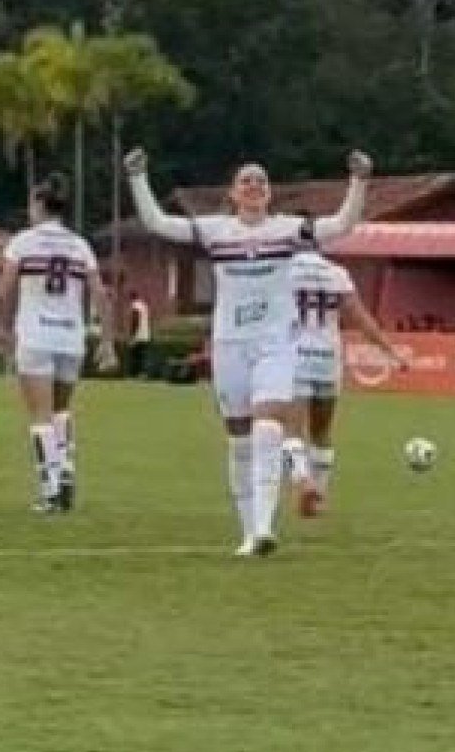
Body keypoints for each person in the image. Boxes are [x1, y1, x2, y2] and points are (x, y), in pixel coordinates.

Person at [126, 147, 371, 556]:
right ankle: (247, 531)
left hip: (275, 342)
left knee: (269, 424)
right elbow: (157, 222)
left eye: (261, 180)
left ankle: (263, 527)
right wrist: (138, 178)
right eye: (246, 181)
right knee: (239, 439)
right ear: (233, 193)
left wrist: (359, 182)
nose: (254, 186)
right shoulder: (216, 230)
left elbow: (343, 223)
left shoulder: (288, 229)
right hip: (229, 344)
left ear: (270, 193)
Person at [0, 174, 119, 513]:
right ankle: (66, 470)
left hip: (35, 335)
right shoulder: (79, 245)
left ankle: (50, 487)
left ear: (39, 205)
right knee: (61, 409)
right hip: (70, 337)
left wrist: (1, 327)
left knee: (40, 414)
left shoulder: (23, 242)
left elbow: (3, 290)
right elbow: (101, 295)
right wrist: (107, 339)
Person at [288, 233, 407, 516]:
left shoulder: (283, 272)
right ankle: (320, 493)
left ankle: (302, 480)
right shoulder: (336, 273)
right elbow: (360, 317)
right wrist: (390, 351)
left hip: (293, 356)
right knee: (321, 431)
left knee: (288, 429)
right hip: (328, 358)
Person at [126, 291, 153, 378]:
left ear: (131, 297)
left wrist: (132, 335)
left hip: (138, 335)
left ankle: (135, 373)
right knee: (142, 355)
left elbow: (135, 321)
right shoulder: (144, 306)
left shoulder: (135, 306)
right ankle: (143, 373)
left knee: (135, 355)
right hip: (145, 334)